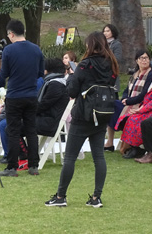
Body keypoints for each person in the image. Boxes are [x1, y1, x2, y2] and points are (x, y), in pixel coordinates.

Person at [45, 32, 118, 208]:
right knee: (98, 157)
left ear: (90, 45)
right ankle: (96, 197)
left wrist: (72, 74)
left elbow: (71, 91)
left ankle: (61, 196)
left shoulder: (85, 65)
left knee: (70, 157)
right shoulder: (112, 64)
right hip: (102, 113)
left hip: (83, 114)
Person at [0, 19, 44, 177]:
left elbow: (4, 73)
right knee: (31, 131)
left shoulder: (9, 50)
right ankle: (34, 165)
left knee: (13, 131)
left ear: (11, 34)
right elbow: (40, 73)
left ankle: (12, 167)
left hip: (14, 95)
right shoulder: (36, 49)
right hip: (31, 95)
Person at [104, 49, 152, 151]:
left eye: (146, 58)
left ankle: (114, 141)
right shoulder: (135, 74)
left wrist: (129, 101)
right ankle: (110, 141)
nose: (144, 60)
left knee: (114, 107)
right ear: (137, 60)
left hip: (140, 105)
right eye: (142, 58)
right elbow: (127, 90)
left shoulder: (151, 75)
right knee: (110, 105)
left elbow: (144, 94)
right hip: (130, 102)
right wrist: (124, 98)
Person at [103, 24, 126, 92]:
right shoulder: (103, 44)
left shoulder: (116, 44)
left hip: (112, 71)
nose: (105, 33)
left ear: (113, 32)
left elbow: (117, 58)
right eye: (104, 31)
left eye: (108, 31)